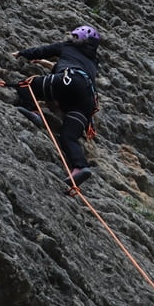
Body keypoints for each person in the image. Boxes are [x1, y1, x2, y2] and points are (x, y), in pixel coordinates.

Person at [9, 25, 101, 188]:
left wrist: (22, 53)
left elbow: (43, 50)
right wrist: (46, 64)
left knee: (26, 85)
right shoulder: (92, 63)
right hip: (86, 99)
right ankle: (80, 167)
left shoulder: (67, 46)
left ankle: (33, 112)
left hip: (69, 82)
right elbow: (71, 66)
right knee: (68, 137)